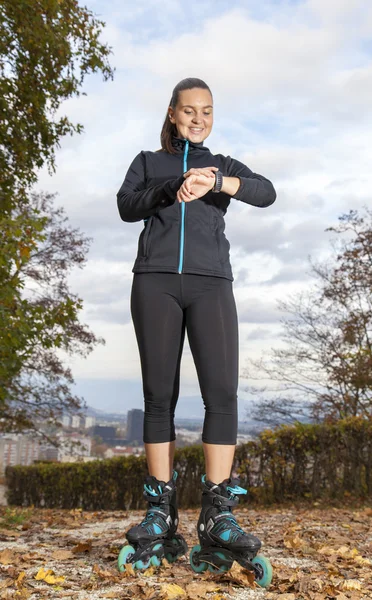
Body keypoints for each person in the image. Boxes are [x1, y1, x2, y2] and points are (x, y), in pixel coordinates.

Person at [116, 77, 276, 584]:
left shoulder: (224, 165)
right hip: (156, 283)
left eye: (206, 111)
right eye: (189, 111)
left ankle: (218, 514)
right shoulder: (147, 161)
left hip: (212, 285)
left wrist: (219, 183)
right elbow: (126, 205)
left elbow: (267, 193)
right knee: (159, 397)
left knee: (222, 394)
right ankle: (160, 513)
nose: (198, 119)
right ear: (171, 113)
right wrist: (171, 188)